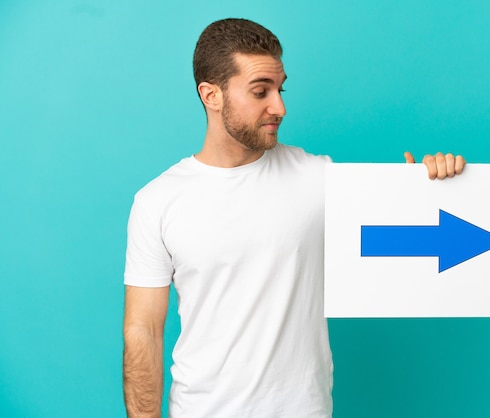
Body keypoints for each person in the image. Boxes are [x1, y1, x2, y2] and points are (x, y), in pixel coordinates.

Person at [122, 18, 465, 418]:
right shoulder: (158, 202)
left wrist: (436, 182)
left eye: (280, 89)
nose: (280, 107)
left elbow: (407, 238)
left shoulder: (319, 177)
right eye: (260, 91)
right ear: (211, 95)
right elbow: (143, 331)